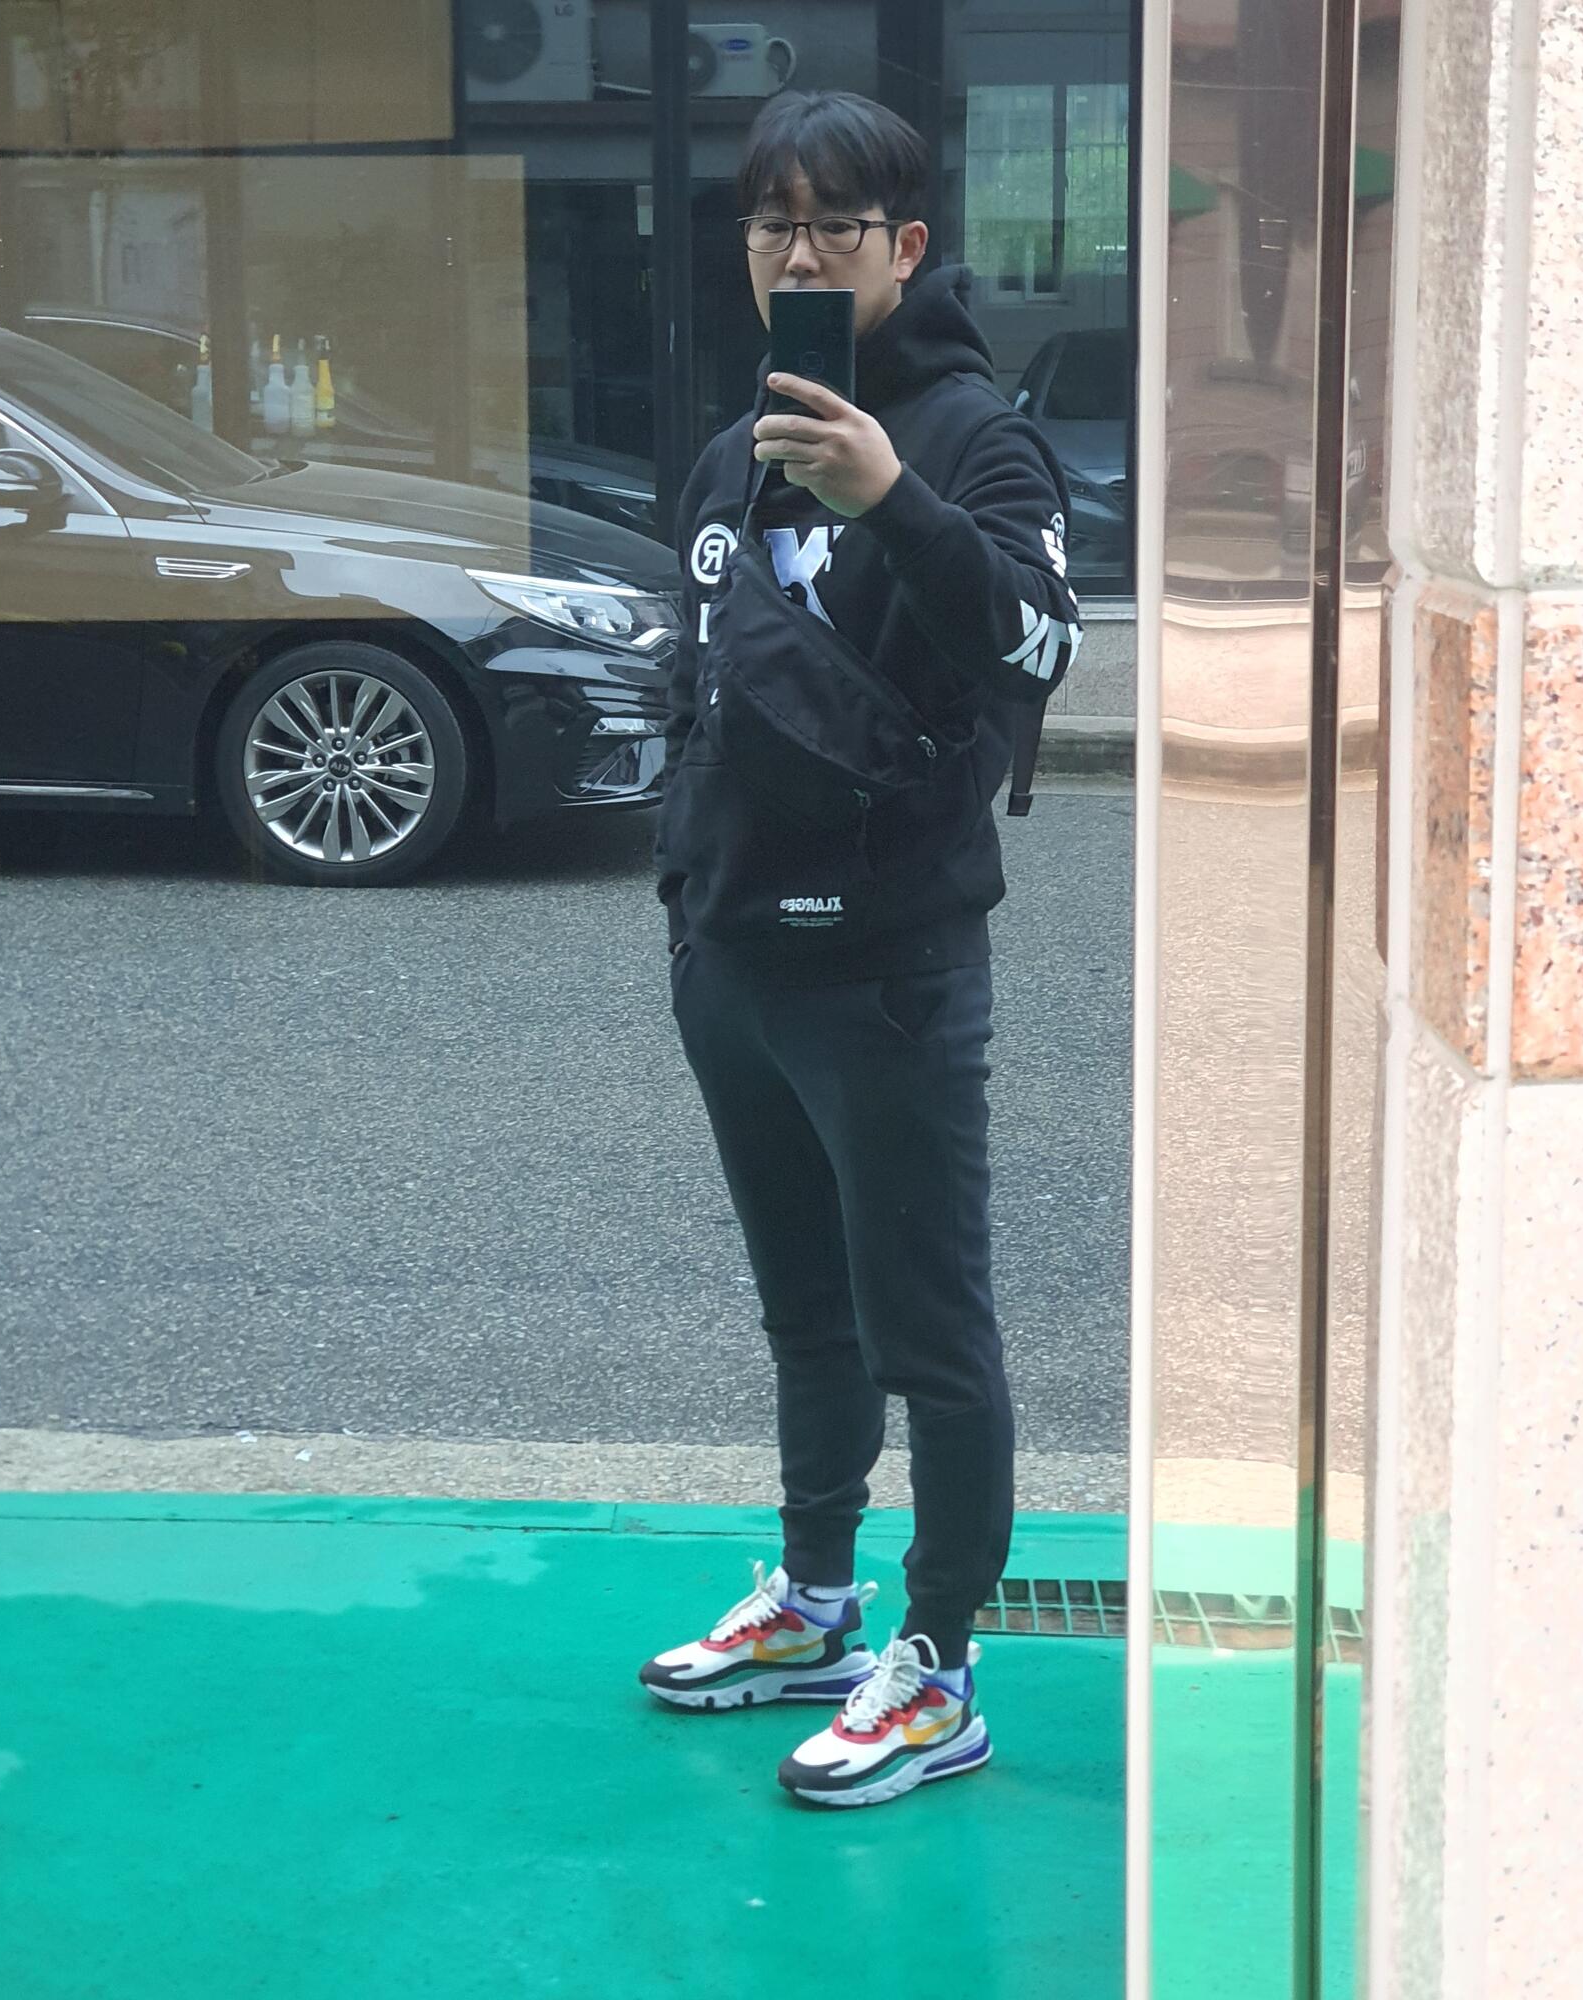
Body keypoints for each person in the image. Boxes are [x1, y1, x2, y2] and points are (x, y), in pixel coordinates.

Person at [641, 89, 1081, 1810]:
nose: (801, 254)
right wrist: (687, 895)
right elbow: (701, 677)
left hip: (892, 966)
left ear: (907, 247)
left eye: (837, 226)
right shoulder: (732, 448)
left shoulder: (976, 442)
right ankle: (817, 1606)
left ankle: (940, 1666)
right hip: (735, 957)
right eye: (774, 225)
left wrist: (893, 496)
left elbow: (1037, 648)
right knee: (804, 1312)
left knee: (930, 1333)